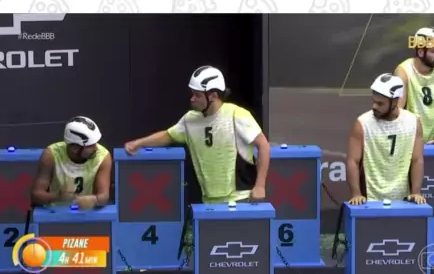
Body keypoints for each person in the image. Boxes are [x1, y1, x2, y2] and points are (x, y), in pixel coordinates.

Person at [124, 66, 270, 203]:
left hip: (241, 199)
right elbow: (168, 135)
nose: (192, 99)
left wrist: (260, 186)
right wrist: (139, 143)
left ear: (213, 96)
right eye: (192, 94)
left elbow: (263, 145)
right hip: (209, 202)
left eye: (197, 95)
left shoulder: (236, 114)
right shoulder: (190, 119)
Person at [347, 73, 426, 205]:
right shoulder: (362, 123)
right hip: (369, 198)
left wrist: (416, 192)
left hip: (403, 198)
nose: (374, 106)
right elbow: (353, 162)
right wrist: (356, 194)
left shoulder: (413, 122)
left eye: (380, 103)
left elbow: (417, 160)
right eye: (373, 101)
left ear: (395, 101)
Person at [31, 116, 112, 210]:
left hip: (86, 213)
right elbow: (36, 195)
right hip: (56, 212)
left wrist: (93, 200)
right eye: (90, 145)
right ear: (75, 148)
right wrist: (58, 197)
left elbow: (104, 197)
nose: (96, 148)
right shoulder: (51, 155)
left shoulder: (103, 156)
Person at [394, 25, 434, 145]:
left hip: (433, 141)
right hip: (408, 140)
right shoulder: (404, 71)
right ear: (421, 52)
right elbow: (398, 109)